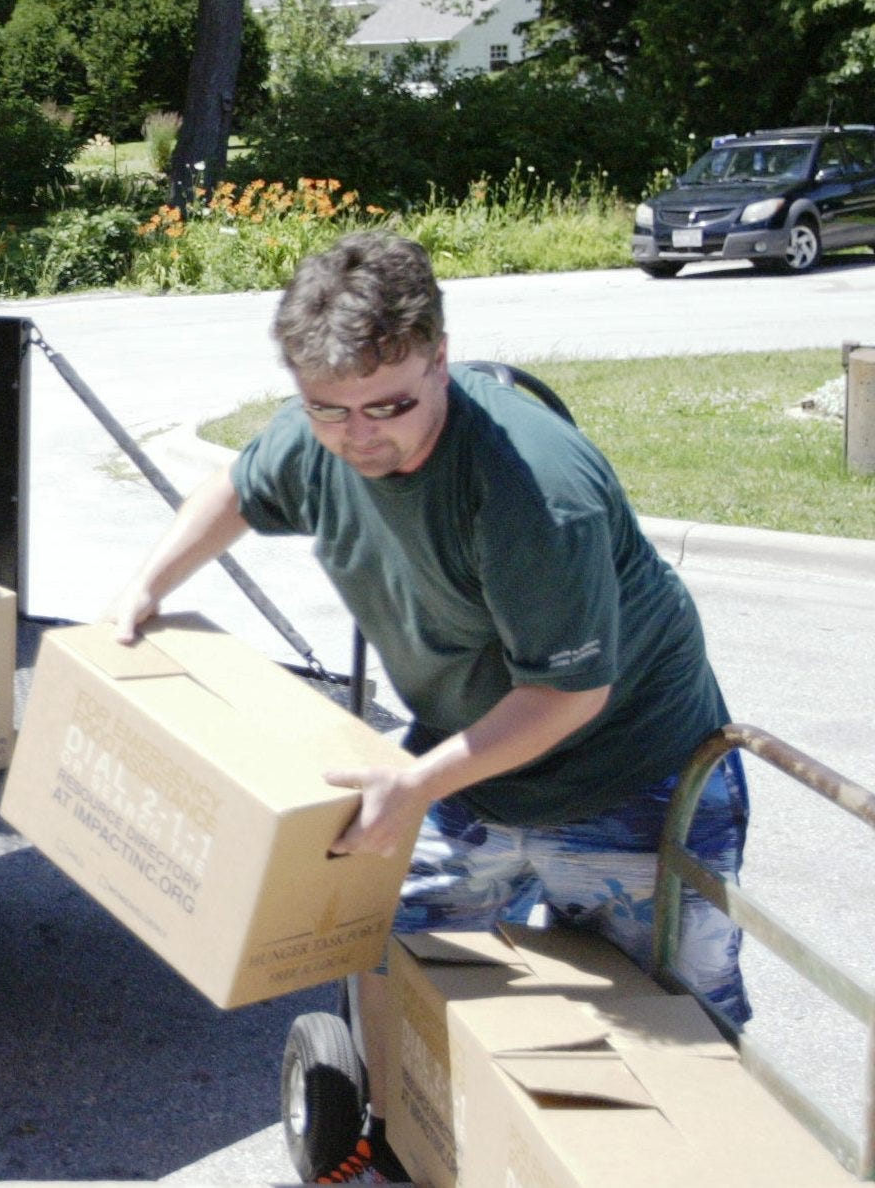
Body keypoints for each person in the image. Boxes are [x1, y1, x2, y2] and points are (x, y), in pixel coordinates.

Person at [104, 233, 749, 1183]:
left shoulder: (532, 488)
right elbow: (239, 487)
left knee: (669, 1039)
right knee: (384, 948)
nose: (358, 434)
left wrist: (411, 786)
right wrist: (145, 587)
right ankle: (412, 1133)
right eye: (327, 409)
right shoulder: (320, 432)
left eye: (389, 406)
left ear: (439, 357)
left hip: (629, 776)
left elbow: (570, 690)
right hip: (456, 761)